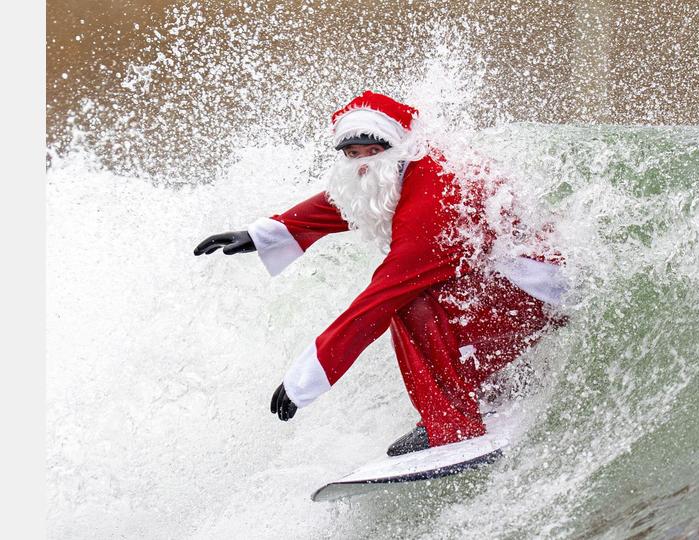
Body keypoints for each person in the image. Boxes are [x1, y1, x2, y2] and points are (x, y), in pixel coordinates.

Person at [194, 91, 568, 456]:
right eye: (352, 154)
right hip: (515, 284)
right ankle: (494, 387)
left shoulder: (431, 206)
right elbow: (358, 196)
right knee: (433, 295)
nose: (362, 163)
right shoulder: (414, 163)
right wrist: (264, 235)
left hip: (535, 294)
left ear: (395, 148)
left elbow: (376, 303)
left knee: (409, 303)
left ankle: (452, 425)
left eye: (372, 152)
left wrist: (304, 380)